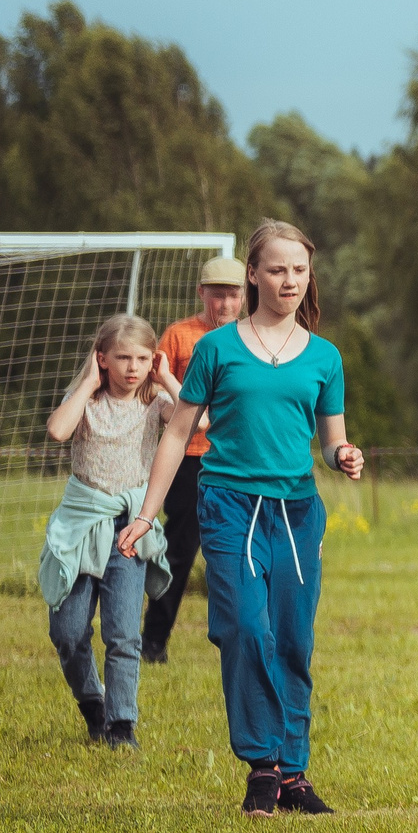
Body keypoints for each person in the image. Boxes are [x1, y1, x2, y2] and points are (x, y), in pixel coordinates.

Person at [119, 221, 364, 819]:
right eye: (278, 270)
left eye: (300, 271)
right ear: (253, 274)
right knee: (246, 630)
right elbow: (179, 431)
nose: (290, 281)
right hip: (229, 503)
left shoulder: (325, 357)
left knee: (294, 640)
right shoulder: (216, 348)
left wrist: (344, 456)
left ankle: (294, 774)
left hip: (298, 512)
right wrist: (148, 515)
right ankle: (262, 765)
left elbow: (331, 439)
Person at [40, 314, 172, 747]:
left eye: (141, 358)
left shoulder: (156, 402)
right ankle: (92, 703)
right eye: (122, 358)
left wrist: (167, 377)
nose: (132, 368)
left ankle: (121, 724)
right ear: (103, 359)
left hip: (129, 530)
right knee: (68, 631)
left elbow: (200, 422)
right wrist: (88, 383)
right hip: (82, 527)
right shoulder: (87, 403)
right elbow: (58, 430)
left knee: (123, 634)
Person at [141, 255, 249, 662]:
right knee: (181, 548)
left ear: (244, 296)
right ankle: (153, 641)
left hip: (237, 455)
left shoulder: (250, 337)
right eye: (217, 295)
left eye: (233, 295)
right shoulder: (180, 335)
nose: (225, 304)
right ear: (202, 293)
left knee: (237, 549)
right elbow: (154, 387)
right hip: (189, 458)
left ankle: (242, 638)